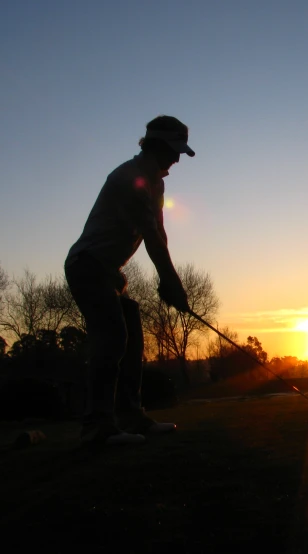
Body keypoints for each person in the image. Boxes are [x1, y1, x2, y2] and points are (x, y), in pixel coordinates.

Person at [64, 115, 193, 446]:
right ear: (158, 145)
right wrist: (171, 283)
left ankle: (132, 418)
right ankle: (97, 427)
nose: (177, 159)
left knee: (132, 336)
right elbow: (149, 234)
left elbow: (159, 233)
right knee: (112, 337)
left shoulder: (155, 183)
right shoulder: (129, 179)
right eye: (174, 150)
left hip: (108, 273)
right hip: (87, 266)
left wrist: (170, 281)